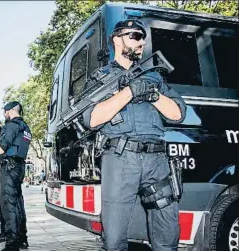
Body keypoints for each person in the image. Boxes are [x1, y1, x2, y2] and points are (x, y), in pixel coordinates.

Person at [82, 19, 187, 251]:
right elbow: (91, 119)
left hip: (157, 160)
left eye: (142, 37)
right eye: (135, 36)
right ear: (116, 39)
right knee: (114, 237)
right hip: (120, 159)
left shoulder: (154, 76)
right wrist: (129, 92)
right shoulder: (101, 78)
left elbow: (178, 113)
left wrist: (152, 94)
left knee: (167, 232)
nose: (141, 41)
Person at [0, 101, 31, 251]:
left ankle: (12, 244)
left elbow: (0, 148)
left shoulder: (11, 126)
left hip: (9, 167)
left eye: (5, 112)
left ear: (11, 111)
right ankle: (22, 238)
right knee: (18, 204)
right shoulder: (25, 127)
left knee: (8, 205)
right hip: (19, 167)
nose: (4, 114)